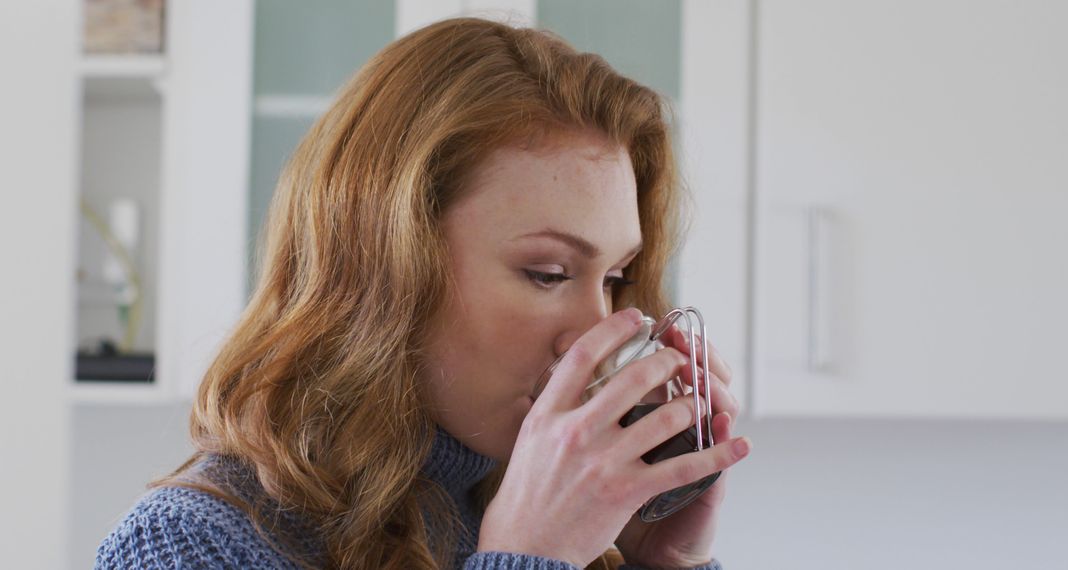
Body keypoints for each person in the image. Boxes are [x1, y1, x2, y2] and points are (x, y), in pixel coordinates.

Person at [96, 17, 750, 570]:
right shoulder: (187, 544)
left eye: (613, 280)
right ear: (388, 266)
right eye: (547, 274)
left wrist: (663, 563)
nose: (596, 330)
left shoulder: (532, 510)